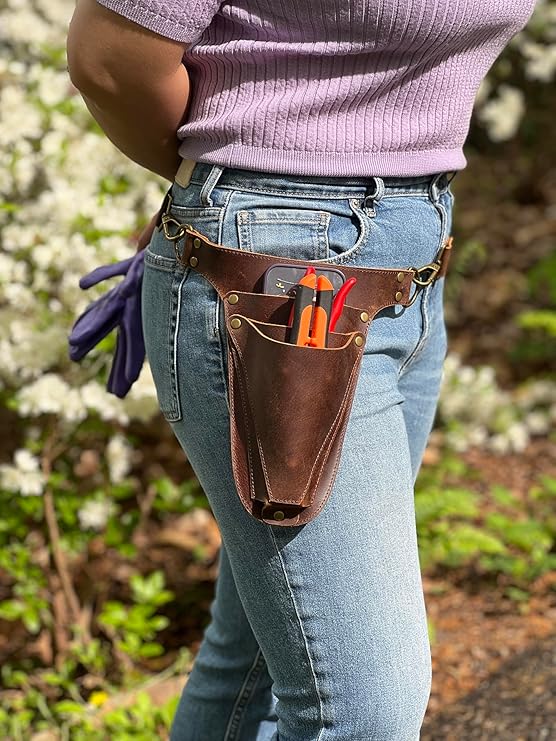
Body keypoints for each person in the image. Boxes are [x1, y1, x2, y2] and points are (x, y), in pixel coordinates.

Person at [66, 1, 537, 738]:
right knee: (362, 709)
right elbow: (108, 57)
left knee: (252, 654)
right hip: (275, 274)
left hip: (410, 259)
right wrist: (234, 191)